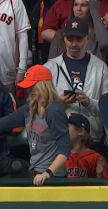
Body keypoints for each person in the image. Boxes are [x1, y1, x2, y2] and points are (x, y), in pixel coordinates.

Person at [44, 17, 108, 145]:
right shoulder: (50, 67)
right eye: (70, 39)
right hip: (60, 137)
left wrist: (89, 102)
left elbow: (106, 107)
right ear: (64, 38)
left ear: (87, 38)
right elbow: (40, 107)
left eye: (78, 40)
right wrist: (58, 103)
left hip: (91, 138)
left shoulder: (100, 67)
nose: (73, 44)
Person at [41, 0, 108, 42]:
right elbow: (45, 32)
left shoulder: (105, 4)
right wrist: (69, 40)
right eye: (76, 5)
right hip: (68, 51)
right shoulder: (62, 3)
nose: (79, 9)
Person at [65, 113, 107, 178]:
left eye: (66, 126)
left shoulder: (96, 158)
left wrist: (100, 175)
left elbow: (104, 186)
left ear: (81, 131)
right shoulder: (59, 156)